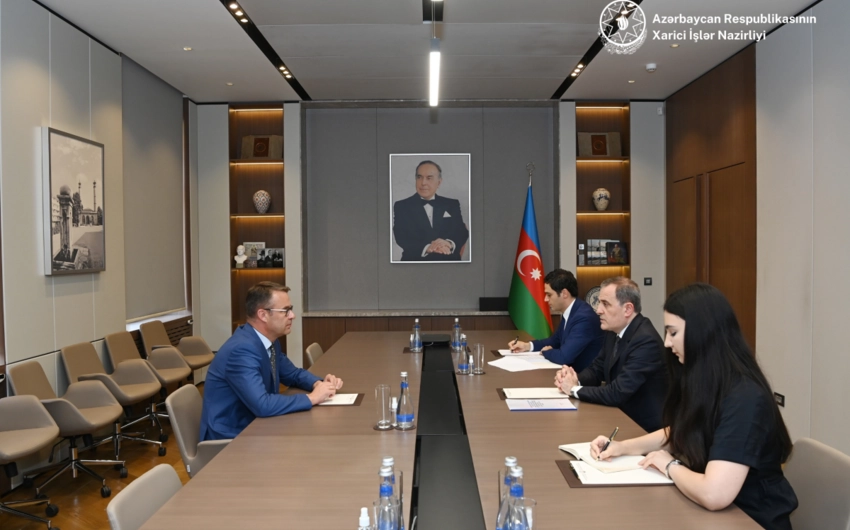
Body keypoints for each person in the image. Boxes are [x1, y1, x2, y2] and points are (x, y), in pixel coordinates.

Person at [588, 284, 797, 529]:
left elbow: (715, 494)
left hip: (749, 519)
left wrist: (669, 465)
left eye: (673, 333)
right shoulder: (705, 380)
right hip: (713, 514)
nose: (667, 343)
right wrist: (623, 447)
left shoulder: (745, 397)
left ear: (703, 333)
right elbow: (679, 431)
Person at [199, 281, 343, 441]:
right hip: (231, 437)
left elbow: (293, 374)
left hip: (257, 425)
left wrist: (319, 384)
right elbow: (262, 405)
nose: (292, 316)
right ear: (263, 315)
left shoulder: (268, 341)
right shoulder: (241, 350)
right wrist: (312, 398)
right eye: (285, 311)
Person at [554, 276, 667, 432]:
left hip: (642, 428)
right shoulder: (613, 332)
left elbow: (617, 392)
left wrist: (573, 389)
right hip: (619, 416)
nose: (598, 310)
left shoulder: (646, 341)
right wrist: (574, 379)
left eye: (605, 304)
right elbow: (596, 369)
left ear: (627, 309)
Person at [508, 269, 603, 371]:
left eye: (549, 295)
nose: (545, 299)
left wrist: (546, 352)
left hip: (584, 377)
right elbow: (555, 341)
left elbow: (564, 357)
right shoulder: (572, 311)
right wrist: (527, 346)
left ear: (564, 293)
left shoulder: (583, 318)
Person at [392, 160, 469, 261]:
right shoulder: (402, 206)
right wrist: (428, 248)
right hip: (415, 262)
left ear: (439, 182)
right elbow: (401, 236)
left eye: (429, 178)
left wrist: (448, 243)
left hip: (448, 261)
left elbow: (461, 231)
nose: (423, 183)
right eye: (419, 177)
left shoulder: (451, 204)